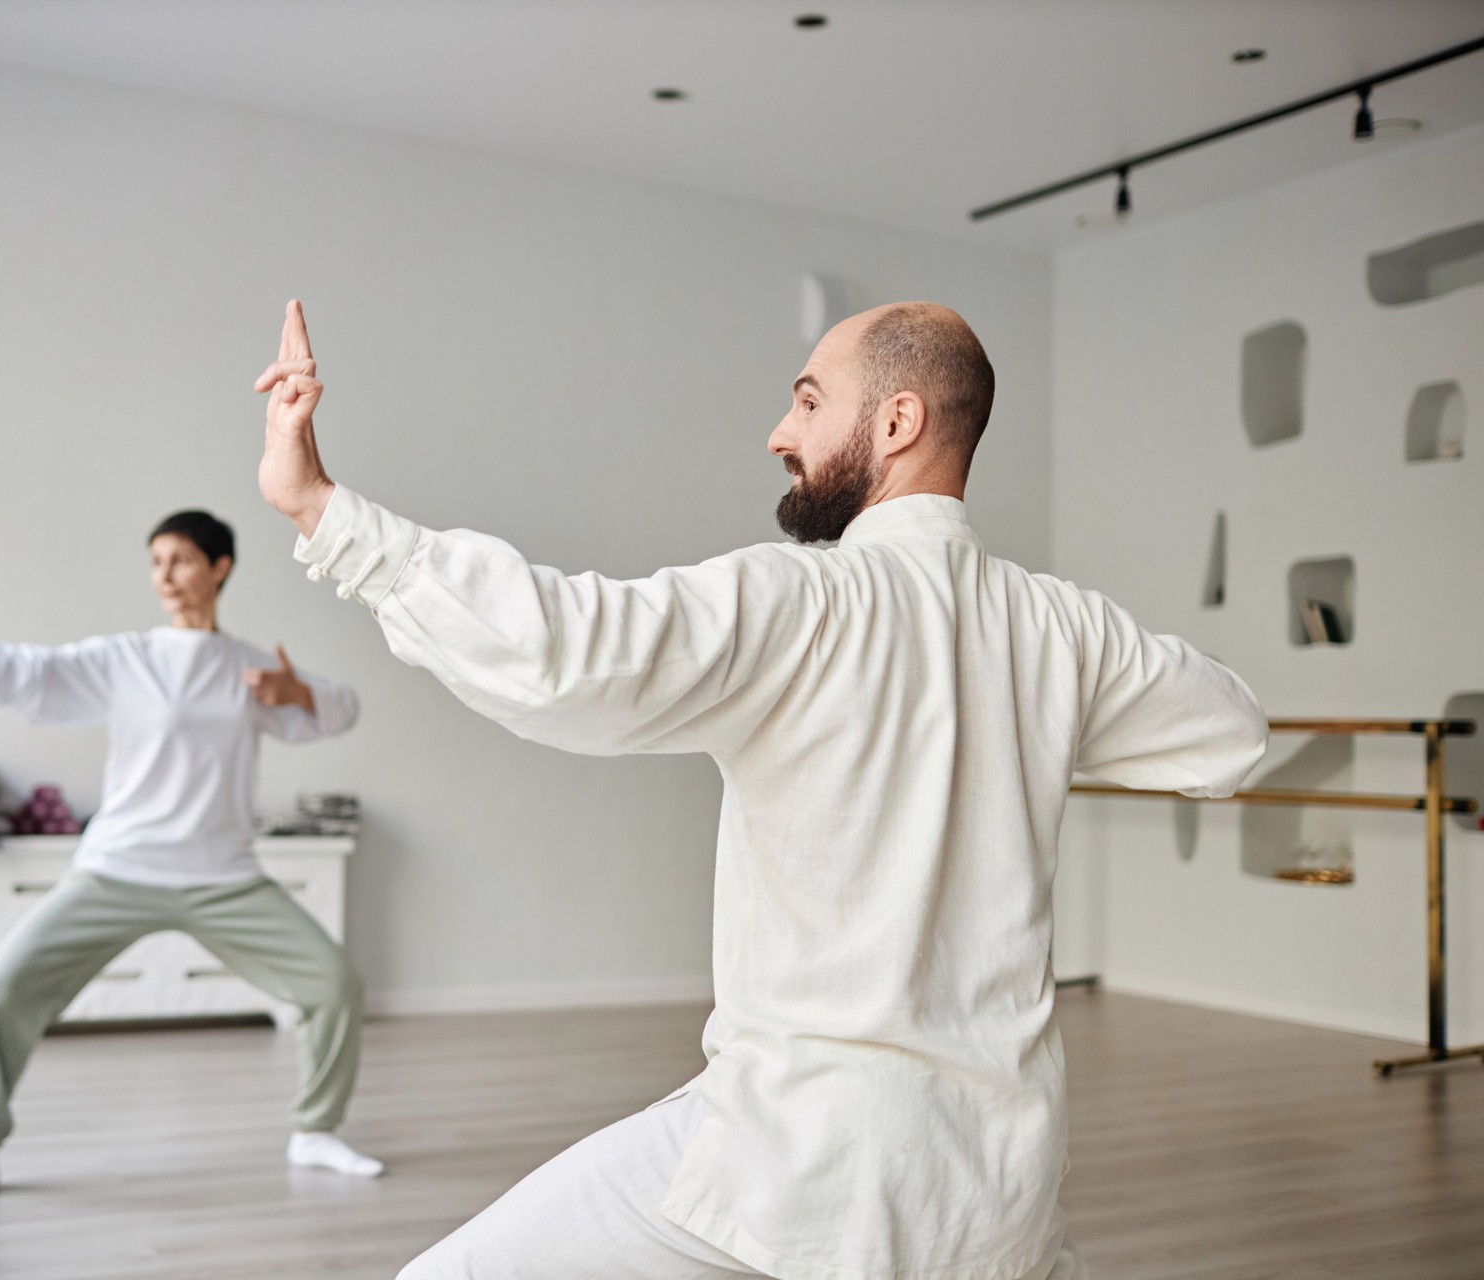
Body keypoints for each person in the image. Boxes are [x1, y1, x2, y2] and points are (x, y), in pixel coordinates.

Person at [251, 300, 1267, 1279]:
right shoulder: (1062, 627)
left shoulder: (801, 602)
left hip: (803, 1153)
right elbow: (1231, 733)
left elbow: (558, 647)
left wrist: (319, 510)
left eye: (810, 401)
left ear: (899, 420)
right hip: (998, 1192)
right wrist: (1038, 709)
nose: (781, 431)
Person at [0, 508, 382, 1209]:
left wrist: (301, 694)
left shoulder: (249, 668)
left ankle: (314, 1132)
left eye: (181, 560)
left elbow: (344, 710)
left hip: (223, 876)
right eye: (155, 561)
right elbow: (24, 673)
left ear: (220, 568)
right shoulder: (126, 658)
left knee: (334, 985)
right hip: (119, 870)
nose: (164, 575)